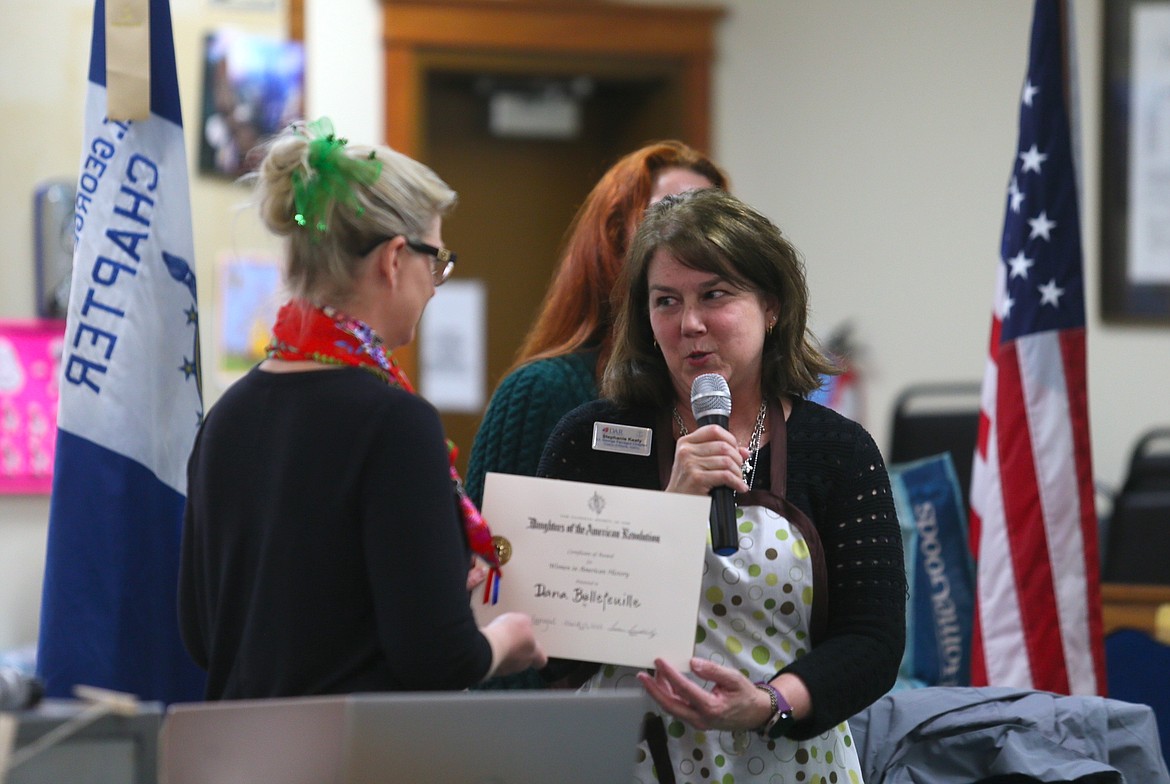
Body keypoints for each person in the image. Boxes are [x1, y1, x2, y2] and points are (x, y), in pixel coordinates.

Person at [537, 188, 906, 782]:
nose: (690, 323)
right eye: (666, 301)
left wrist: (768, 703)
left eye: (715, 295)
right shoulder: (591, 440)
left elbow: (873, 642)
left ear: (772, 306)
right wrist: (670, 516)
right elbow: (555, 647)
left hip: (786, 759)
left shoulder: (839, 451)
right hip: (626, 760)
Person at [178, 117, 546, 700]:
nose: (434, 285)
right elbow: (435, 656)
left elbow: (204, 635)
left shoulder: (227, 417)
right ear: (395, 259)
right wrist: (507, 640)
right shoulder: (394, 423)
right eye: (438, 262)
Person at [464, 141, 728, 509]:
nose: (691, 240)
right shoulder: (542, 391)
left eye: (709, 219)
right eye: (666, 217)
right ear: (614, 238)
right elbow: (490, 555)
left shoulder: (732, 395)